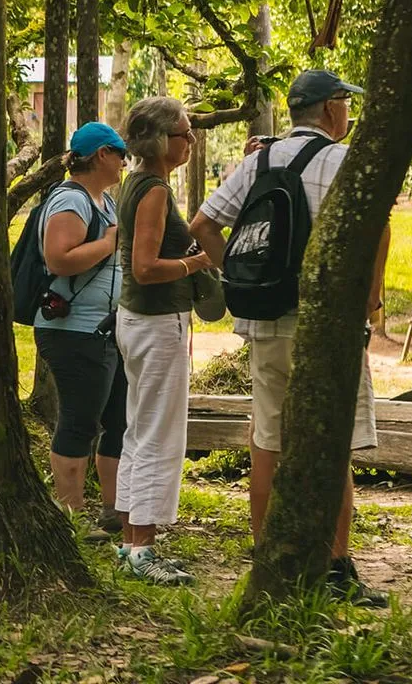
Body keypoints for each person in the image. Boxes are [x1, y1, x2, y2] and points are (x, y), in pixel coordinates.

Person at [188, 69, 390, 608]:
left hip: (266, 322)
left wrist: (236, 272)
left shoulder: (258, 161)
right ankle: (335, 565)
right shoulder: (347, 164)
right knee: (335, 441)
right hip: (327, 327)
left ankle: (266, 557)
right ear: (330, 110)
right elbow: (378, 230)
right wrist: (369, 297)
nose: (347, 113)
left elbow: (203, 222)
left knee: (267, 439)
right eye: (345, 103)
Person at [111, 97, 216, 586]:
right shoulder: (152, 190)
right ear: (158, 141)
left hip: (139, 323)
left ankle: (132, 541)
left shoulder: (136, 184)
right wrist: (195, 265)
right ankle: (144, 549)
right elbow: (145, 268)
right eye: (184, 134)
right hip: (156, 322)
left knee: (139, 430)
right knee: (159, 435)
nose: (191, 141)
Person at [33, 122, 129, 540]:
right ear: (102, 154)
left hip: (107, 330)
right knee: (79, 420)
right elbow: (58, 259)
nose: (125, 160)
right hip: (74, 330)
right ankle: (69, 517)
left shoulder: (104, 201)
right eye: (120, 151)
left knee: (118, 420)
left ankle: (114, 509)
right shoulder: (71, 200)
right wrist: (109, 243)